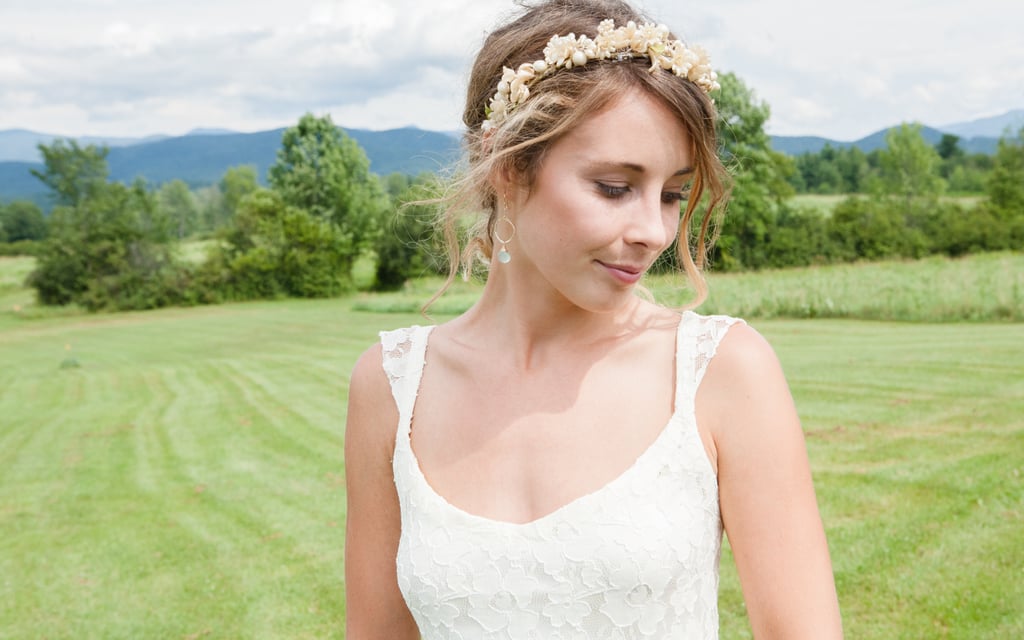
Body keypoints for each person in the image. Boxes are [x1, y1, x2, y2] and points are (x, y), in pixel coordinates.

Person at [344, 0, 843, 637]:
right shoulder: (391, 387)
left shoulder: (721, 372)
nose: (655, 231)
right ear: (505, 168)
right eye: (614, 187)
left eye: (672, 195)